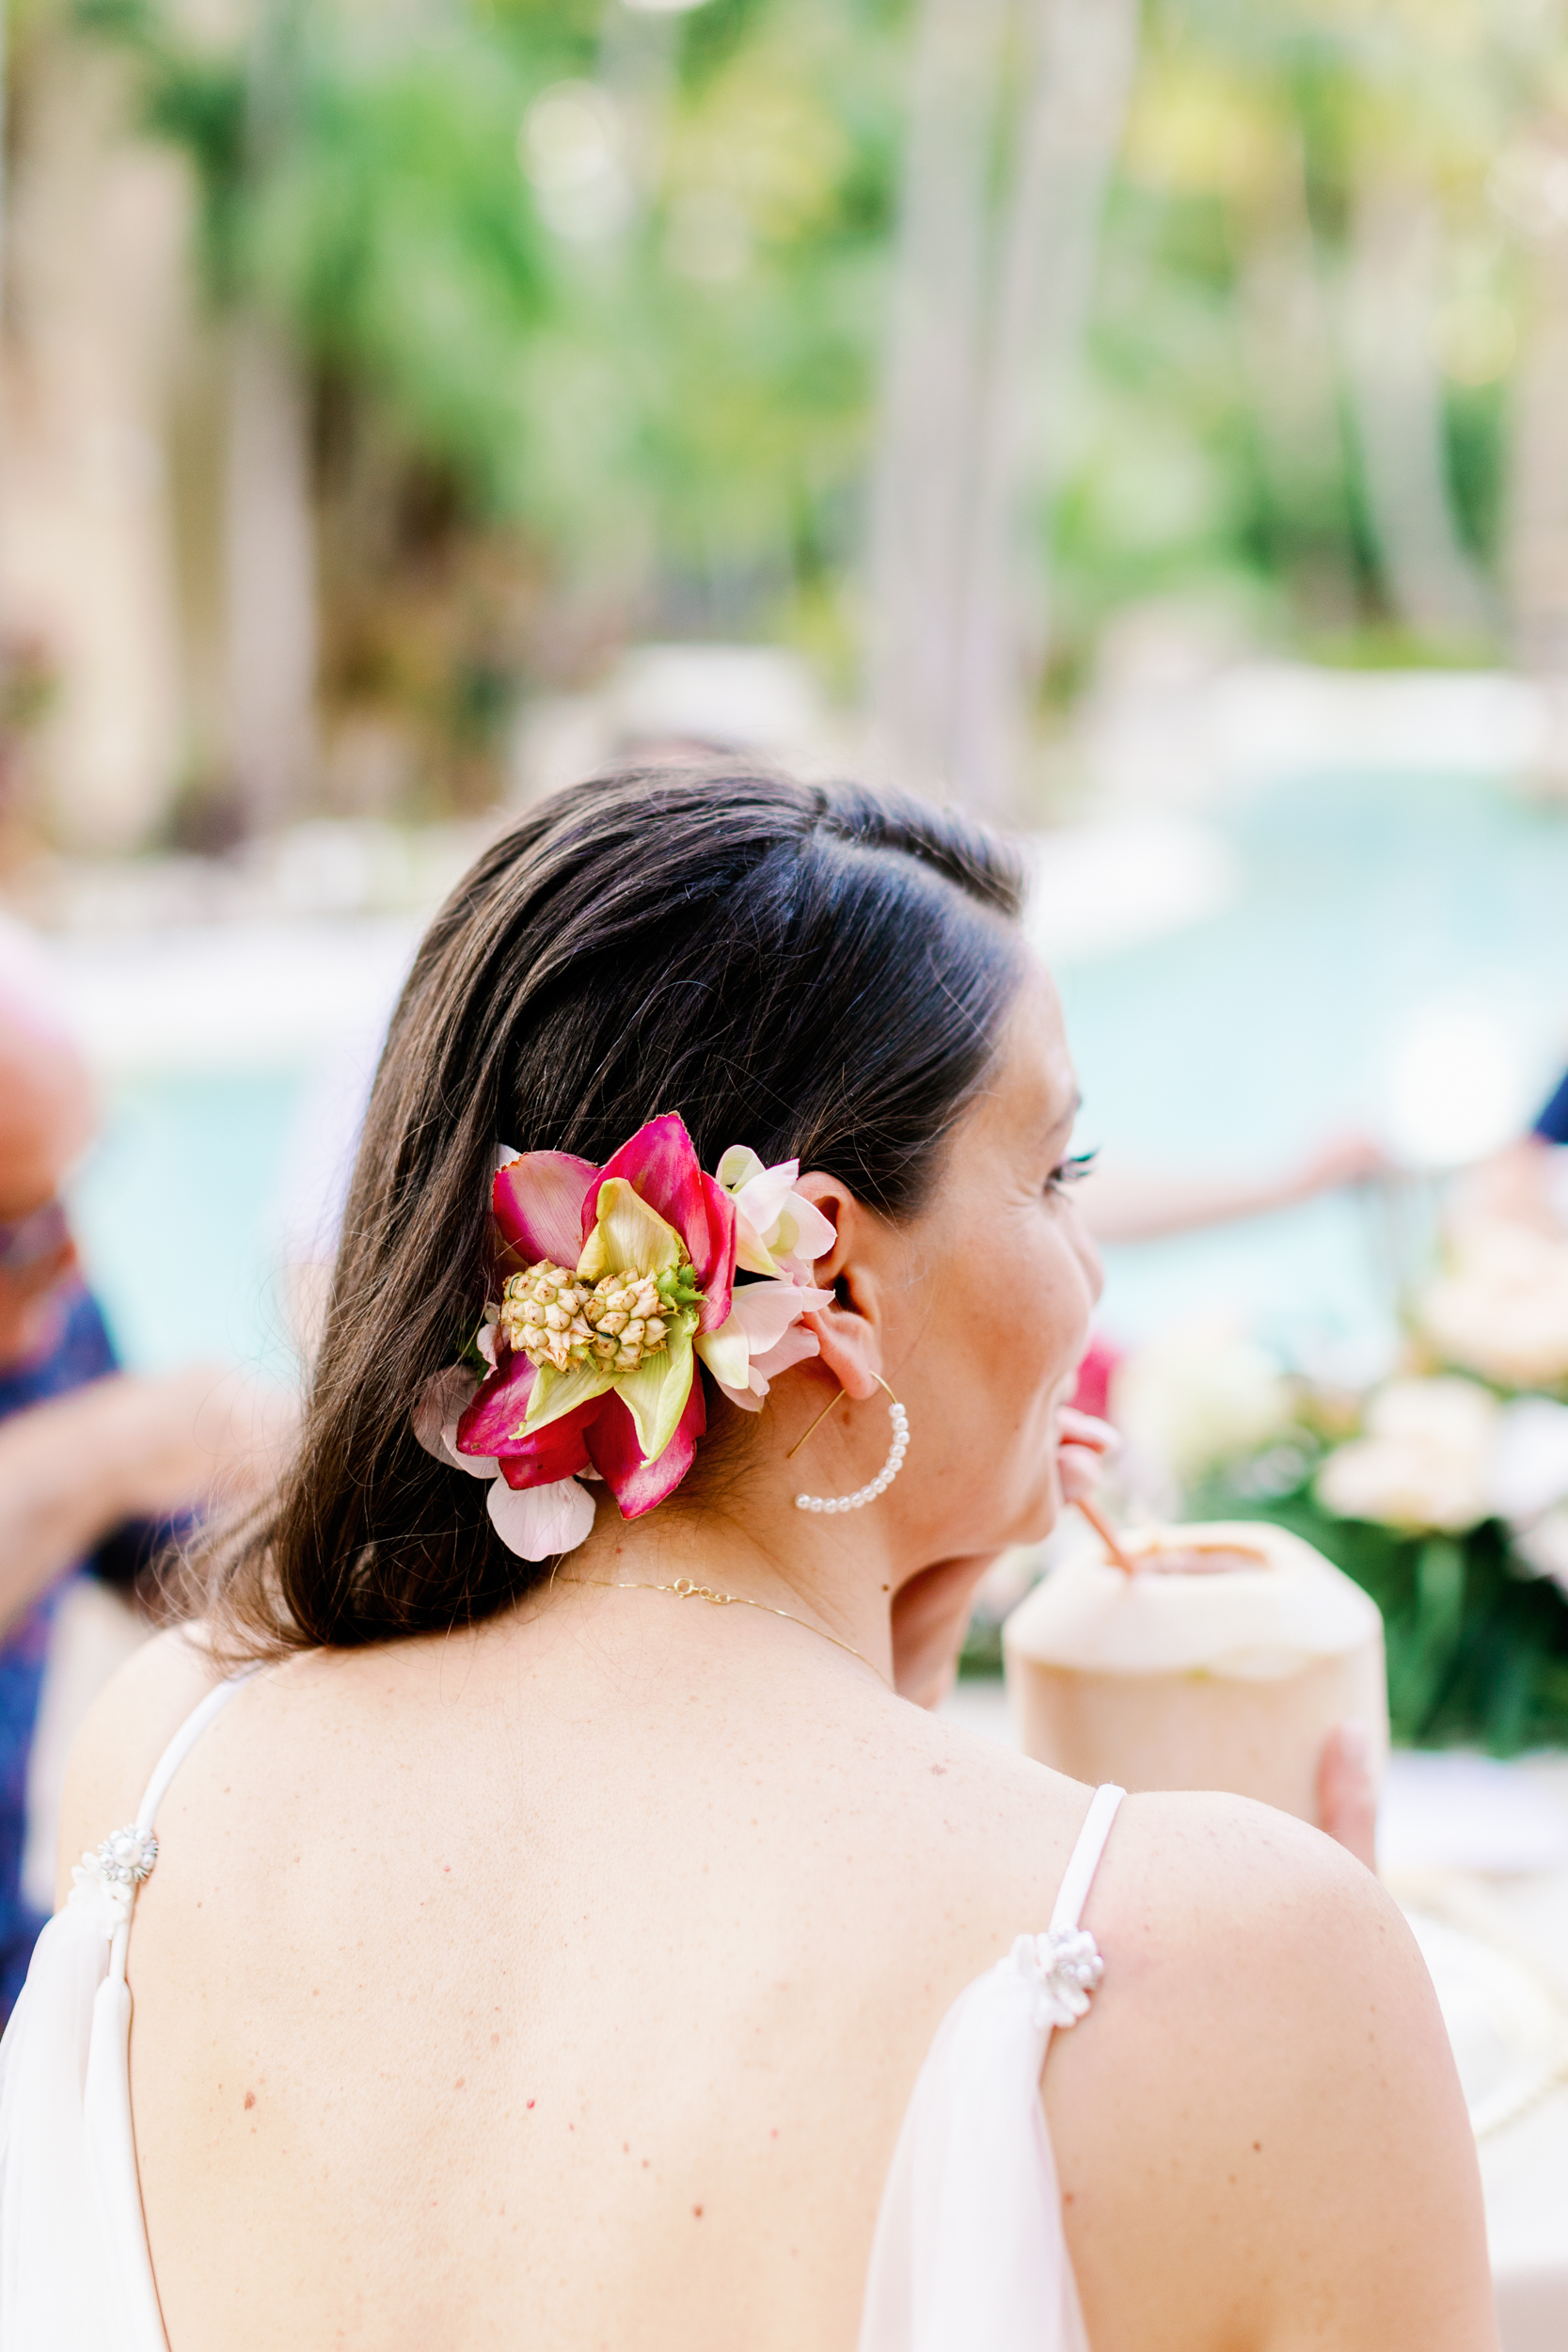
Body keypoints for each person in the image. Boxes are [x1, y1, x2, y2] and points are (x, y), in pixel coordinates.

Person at [6, 771, 1492, 2350]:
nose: (1087, 1265)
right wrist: (1264, 1981)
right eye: (1058, 1174)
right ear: (830, 1278)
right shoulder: (1224, 1959)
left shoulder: (168, 1750)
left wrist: (895, 1694)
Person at [0, 928, 293, 2008]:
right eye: (14, 1232)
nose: (66, 1258)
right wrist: (111, 1445)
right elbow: (113, 1453)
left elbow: (167, 1563)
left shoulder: (46, 1290)